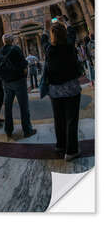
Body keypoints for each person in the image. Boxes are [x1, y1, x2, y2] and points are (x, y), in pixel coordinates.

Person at [41, 21, 82, 161]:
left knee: (59, 119)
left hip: (55, 90)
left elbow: (43, 39)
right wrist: (67, 23)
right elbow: (72, 33)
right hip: (71, 88)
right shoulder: (69, 45)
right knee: (71, 120)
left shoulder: (48, 49)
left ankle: (60, 145)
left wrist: (46, 30)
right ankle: (71, 151)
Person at [0, 34, 36, 139]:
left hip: (6, 83)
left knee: (7, 107)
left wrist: (3, 78)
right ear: (12, 40)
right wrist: (23, 74)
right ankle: (27, 130)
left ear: (3, 41)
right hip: (18, 81)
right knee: (23, 106)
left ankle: (8, 130)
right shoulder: (16, 49)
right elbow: (24, 63)